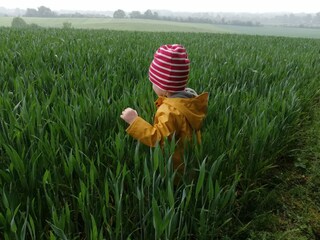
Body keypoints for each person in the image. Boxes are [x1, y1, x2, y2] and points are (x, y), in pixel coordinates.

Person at [120, 44, 208, 175]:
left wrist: (134, 121)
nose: (152, 85)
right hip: (190, 159)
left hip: (175, 167)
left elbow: (159, 139)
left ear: (165, 87)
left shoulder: (170, 111)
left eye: (153, 82)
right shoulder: (189, 100)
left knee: (174, 191)